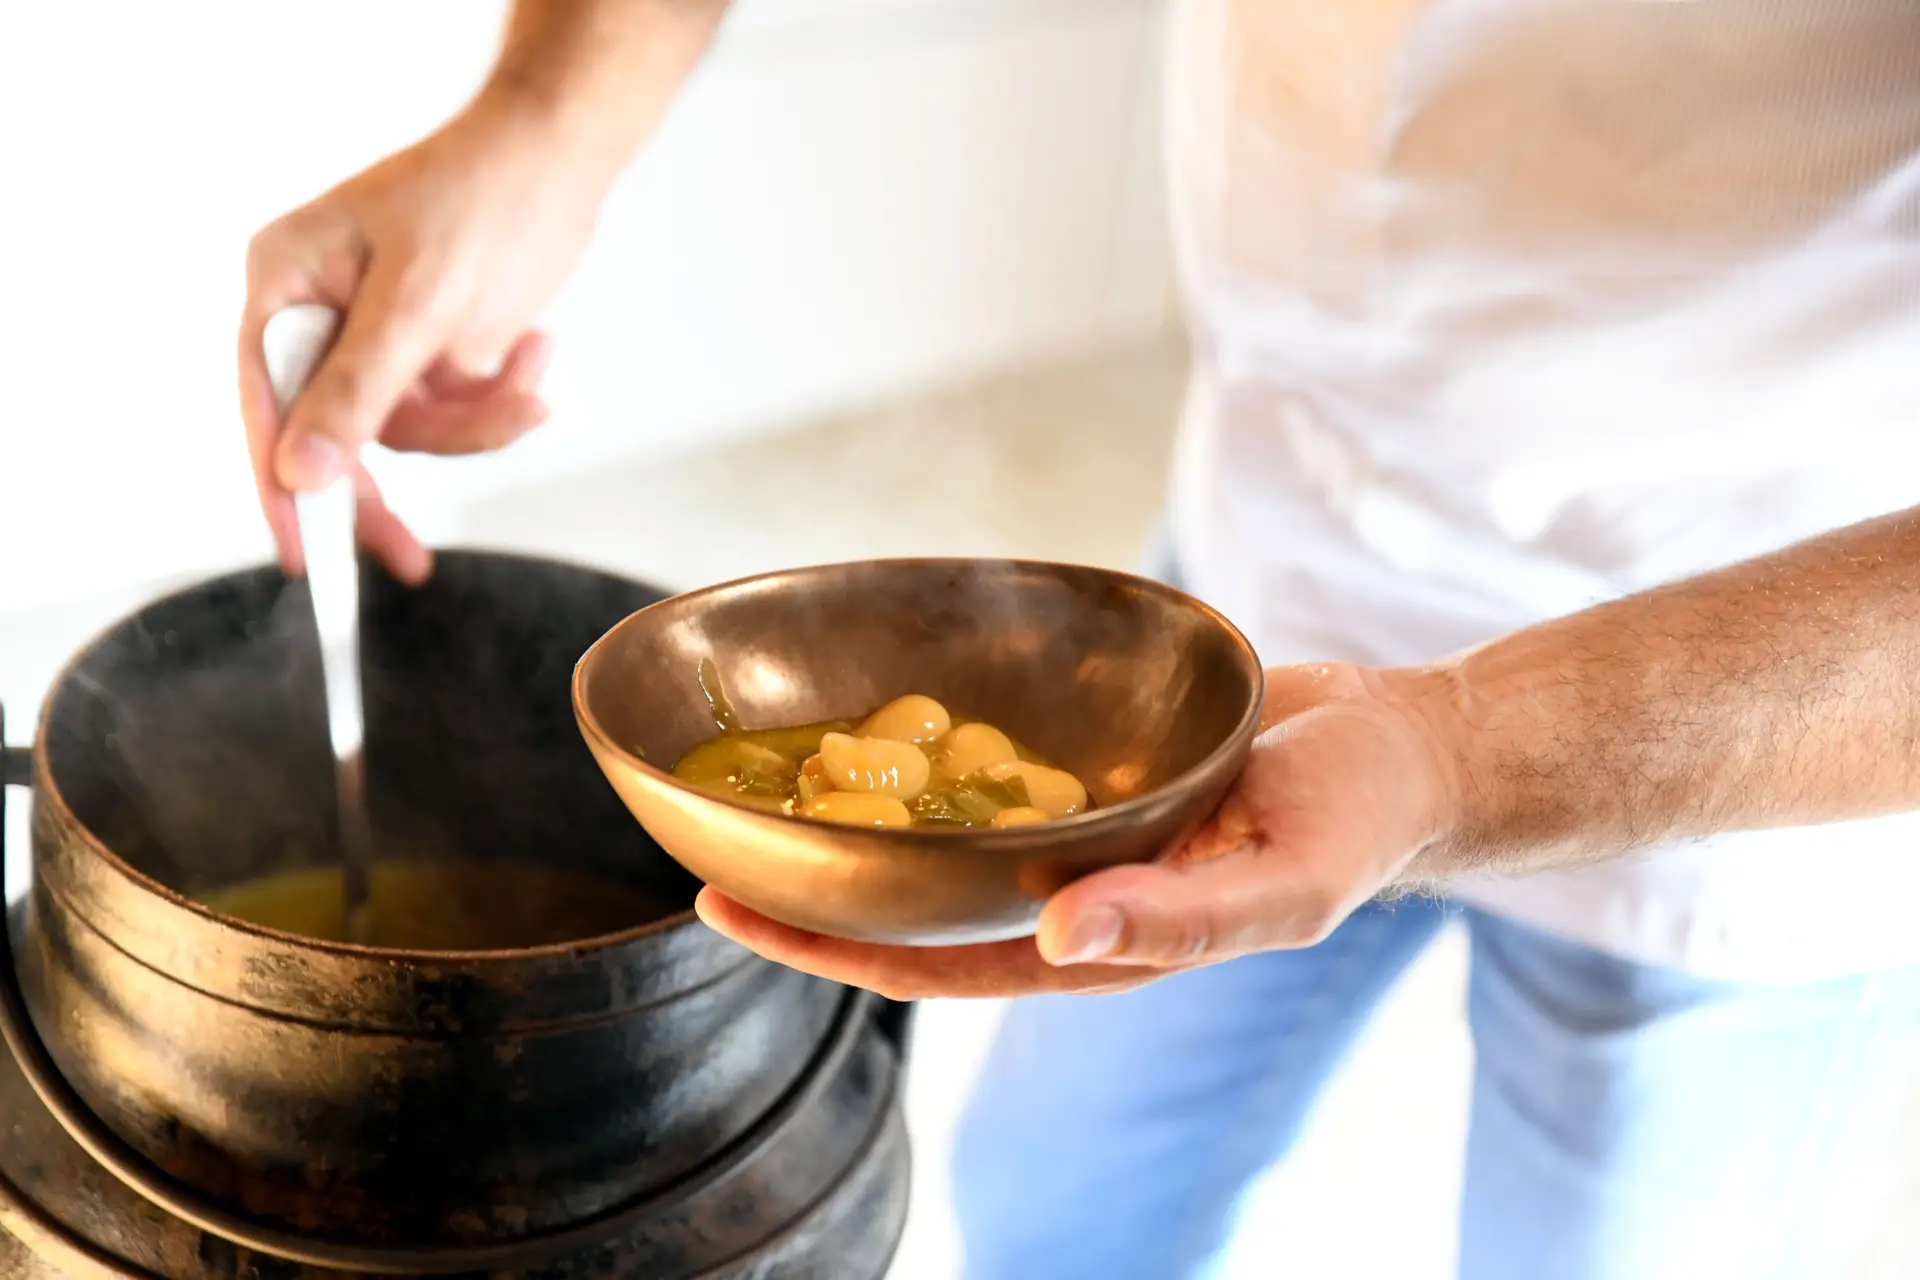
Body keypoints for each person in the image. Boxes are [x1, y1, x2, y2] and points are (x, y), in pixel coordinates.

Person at [240, 2, 1920, 1276]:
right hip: (1257, 590)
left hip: (1759, 715)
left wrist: (1462, 747)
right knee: (1058, 1205)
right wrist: (545, 121)